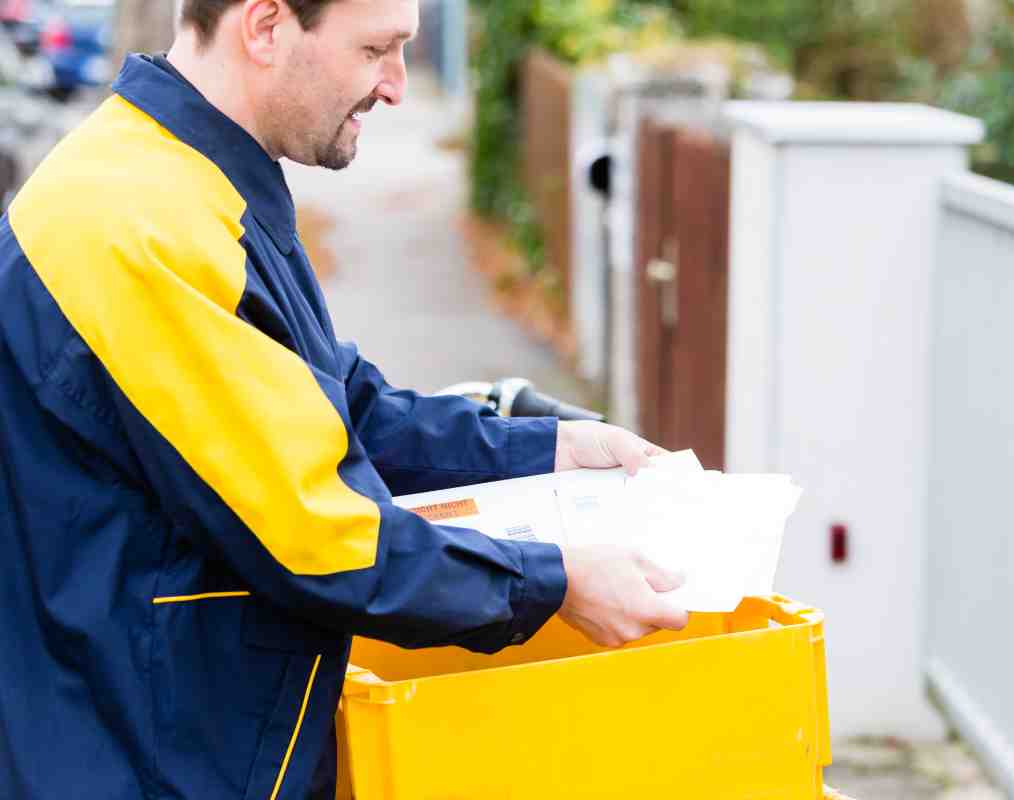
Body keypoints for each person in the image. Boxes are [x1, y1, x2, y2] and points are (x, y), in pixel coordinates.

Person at [0, 0, 689, 797]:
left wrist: (548, 450)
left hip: (169, 733)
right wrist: (556, 581)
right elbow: (318, 537)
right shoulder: (134, 228)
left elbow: (330, 405)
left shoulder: (184, 175)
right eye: (375, 49)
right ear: (264, 27)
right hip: (134, 756)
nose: (396, 86)